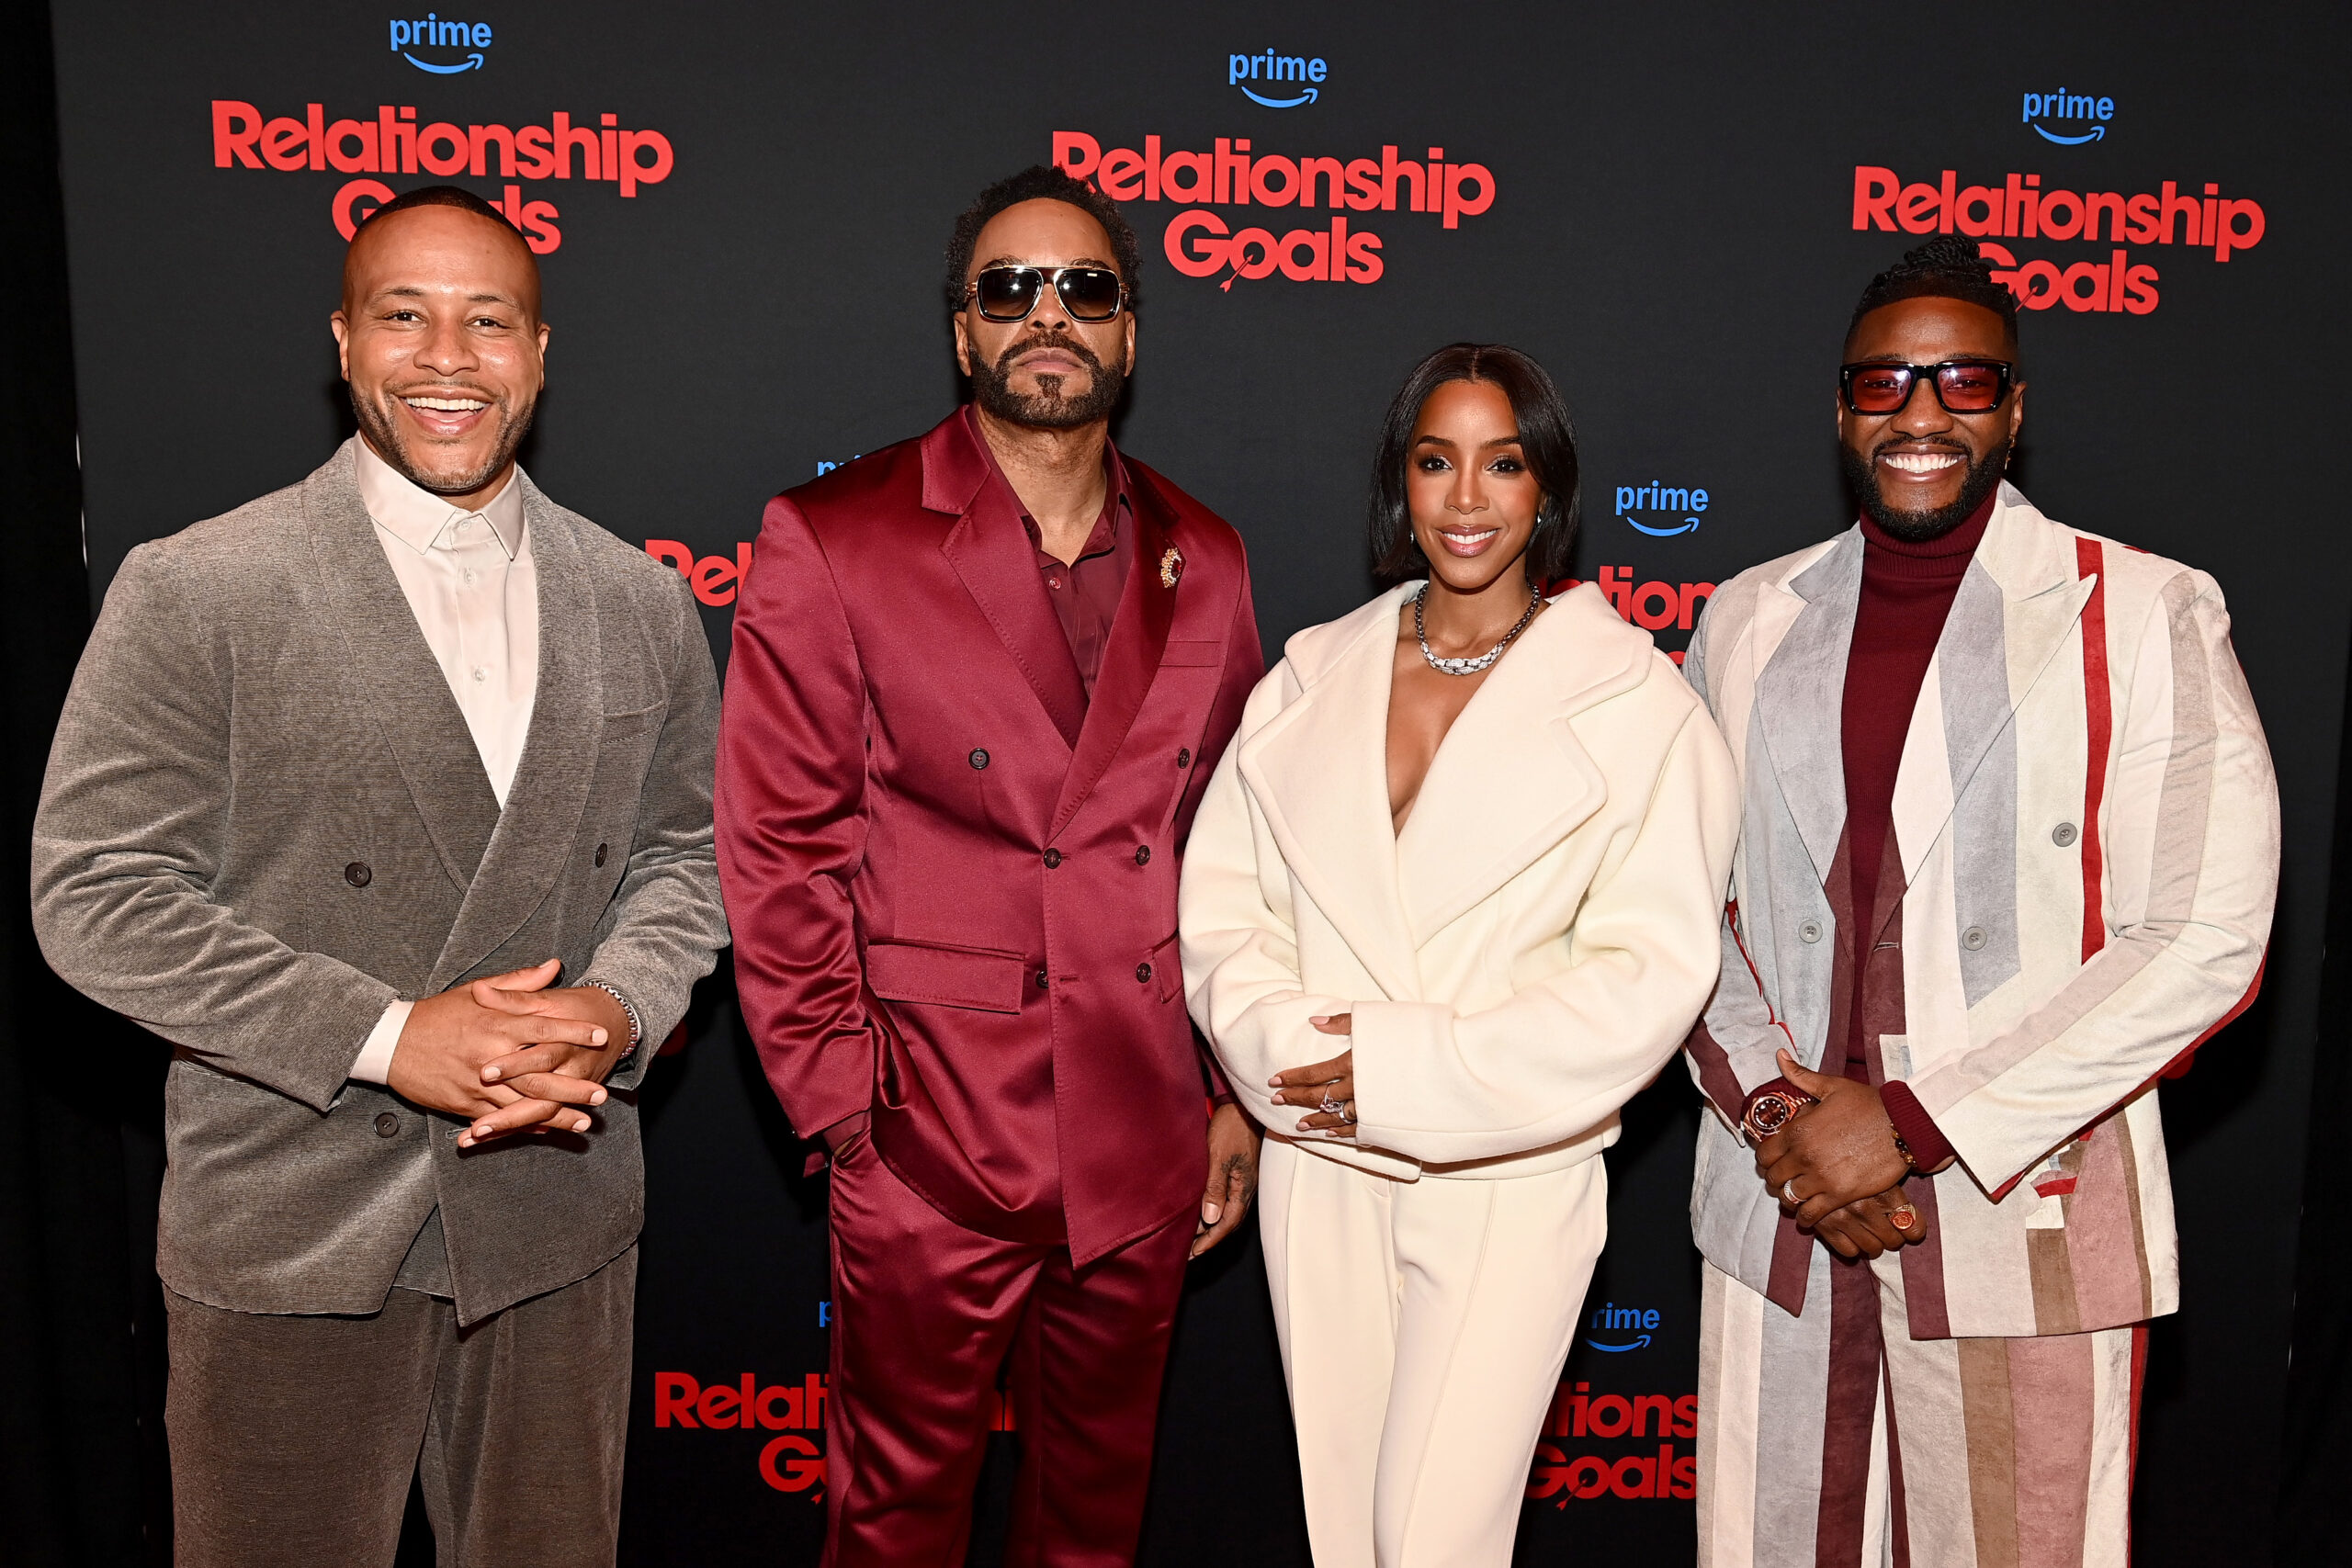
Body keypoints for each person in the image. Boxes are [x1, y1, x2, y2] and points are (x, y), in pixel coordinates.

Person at [29, 185, 728, 1566]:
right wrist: (393, 1038)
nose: (447, 359)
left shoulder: (637, 598)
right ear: (344, 341)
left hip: (555, 1208)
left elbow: (686, 855)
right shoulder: (201, 588)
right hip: (289, 1217)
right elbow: (96, 893)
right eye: (405, 315)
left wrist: (617, 1012)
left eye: (489, 321)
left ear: (540, 353)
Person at [1681, 235, 2279, 1565]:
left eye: (1964, 379)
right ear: (1843, 406)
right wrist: (1785, 1122)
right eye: (1884, 381)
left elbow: (2205, 935)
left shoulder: (2143, 611)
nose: (1922, 411)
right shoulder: (1746, 619)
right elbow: (1678, 913)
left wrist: (1908, 1124)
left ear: (2014, 408)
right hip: (1784, 1212)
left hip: (2028, 1214)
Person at [715, 164, 1264, 1567]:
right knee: (893, 1527)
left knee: (1093, 1528)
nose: (1048, 314)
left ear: (1130, 330)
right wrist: (847, 1110)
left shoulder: (1205, 556)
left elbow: (1235, 850)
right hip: (929, 1135)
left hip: (1143, 1137)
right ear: (964, 332)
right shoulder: (835, 537)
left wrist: (1231, 1092)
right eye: (1009, 288)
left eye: (1086, 288)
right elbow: (780, 849)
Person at [1179, 343, 1741, 1566]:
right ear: (1404, 481)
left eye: (1505, 463)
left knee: (1431, 1539)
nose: (1469, 497)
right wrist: (1284, 1059)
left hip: (1507, 1172)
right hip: (1318, 1154)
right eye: (1438, 462)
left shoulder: (1641, 709)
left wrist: (1405, 1069)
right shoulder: (1311, 677)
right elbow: (1226, 910)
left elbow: (1647, 977)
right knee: (1346, 1537)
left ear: (1550, 487)